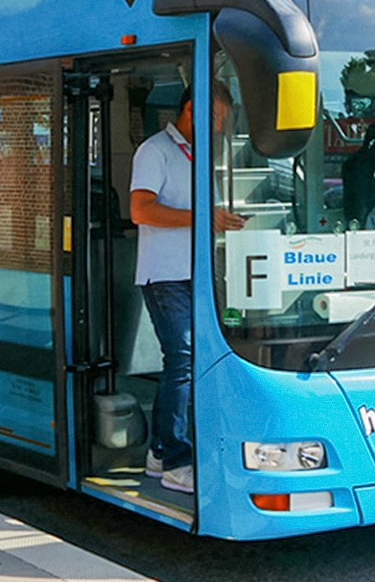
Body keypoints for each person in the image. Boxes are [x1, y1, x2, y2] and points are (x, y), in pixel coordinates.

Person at [128, 81, 246, 495]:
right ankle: (176, 460)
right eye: (216, 118)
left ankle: (161, 452)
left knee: (185, 361)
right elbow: (140, 210)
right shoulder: (154, 150)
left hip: (195, 272)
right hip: (165, 274)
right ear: (192, 109)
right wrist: (202, 217)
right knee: (182, 358)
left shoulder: (197, 155)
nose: (218, 128)